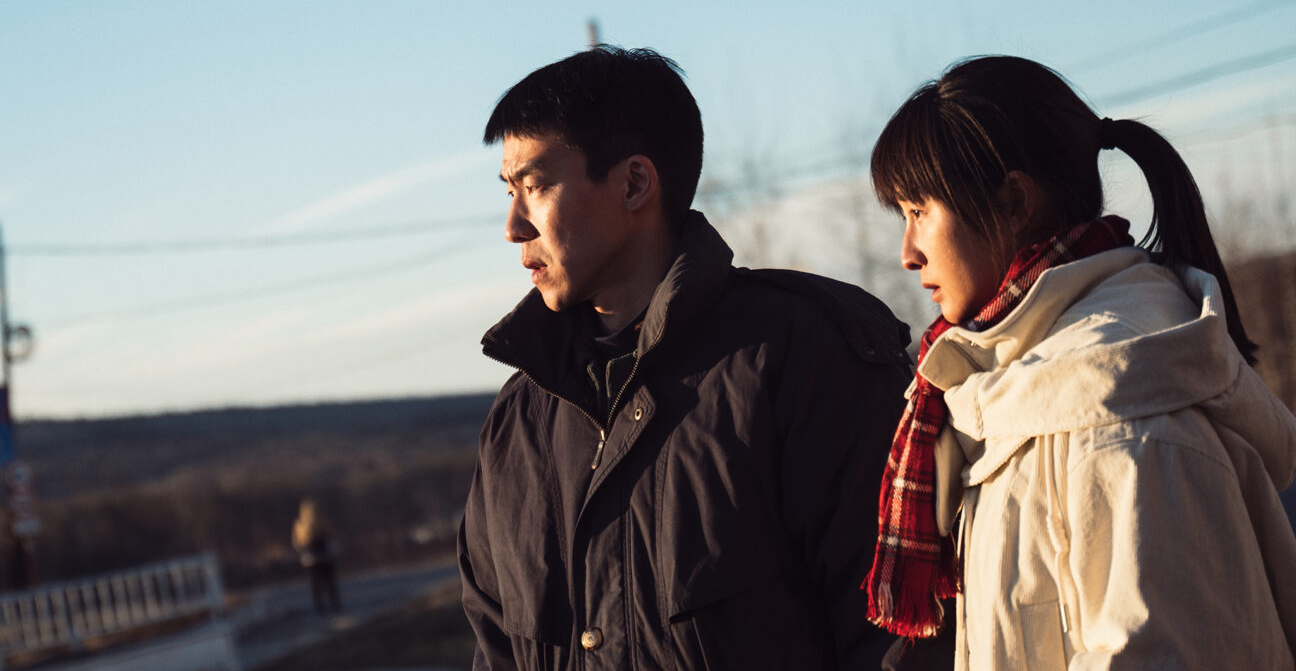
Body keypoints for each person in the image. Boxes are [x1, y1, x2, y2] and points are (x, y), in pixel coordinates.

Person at [457, 45, 921, 670]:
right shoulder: (517, 425)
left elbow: (897, 640)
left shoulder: (798, 358)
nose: (514, 225)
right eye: (509, 191)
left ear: (634, 184)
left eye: (535, 186)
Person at [864, 54, 1296, 670]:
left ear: (1015, 202)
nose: (907, 253)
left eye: (919, 212)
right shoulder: (1019, 395)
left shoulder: (1122, 410)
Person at [292, 498, 341, 615]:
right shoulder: (321, 521)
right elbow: (330, 535)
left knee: (316, 583)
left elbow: (297, 542)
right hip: (324, 556)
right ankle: (333, 603)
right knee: (329, 581)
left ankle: (320, 606)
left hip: (310, 558)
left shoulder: (300, 524)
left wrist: (303, 550)